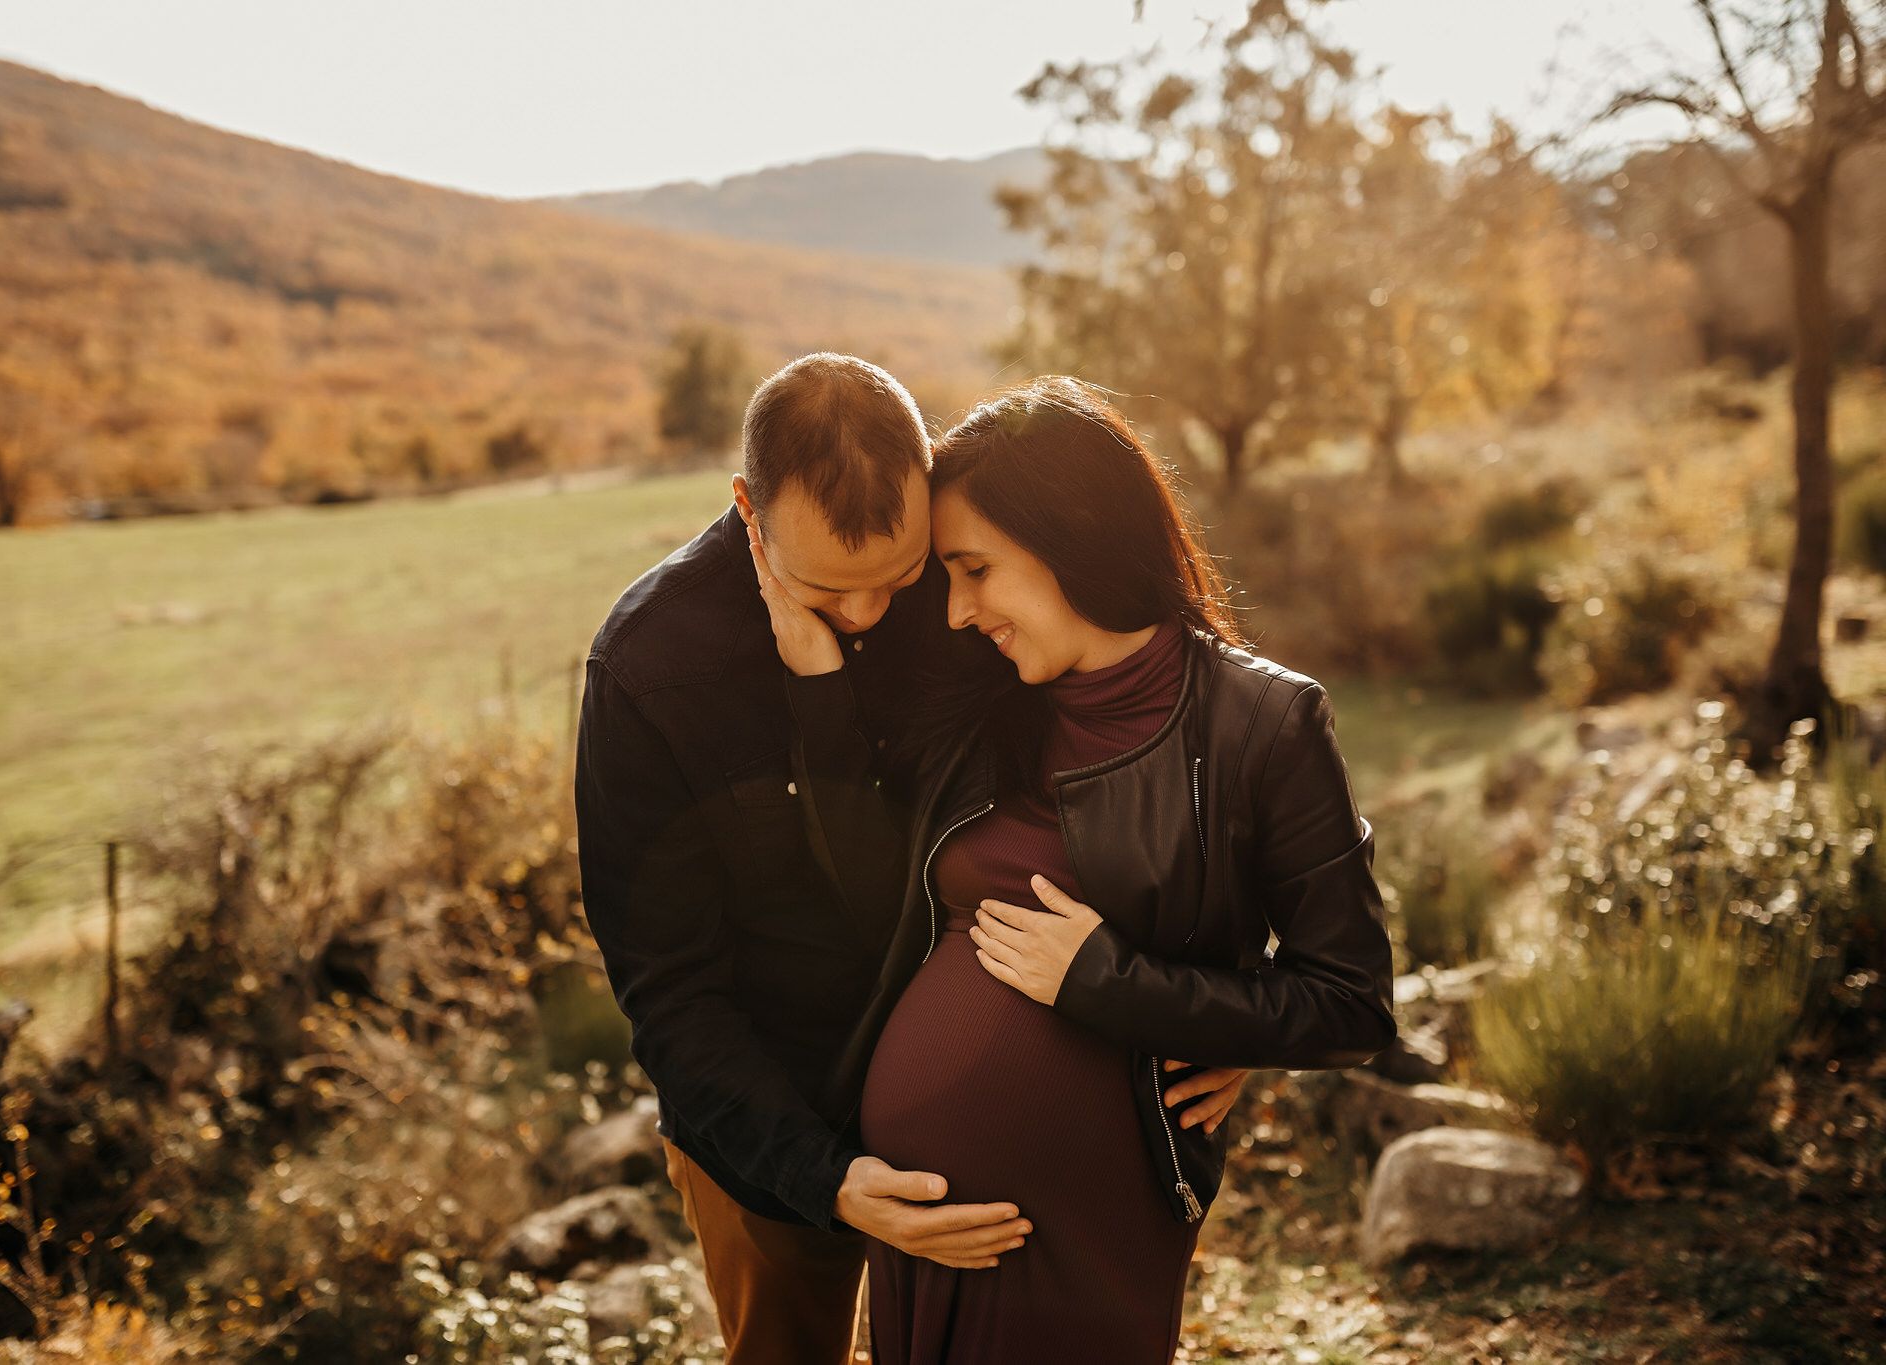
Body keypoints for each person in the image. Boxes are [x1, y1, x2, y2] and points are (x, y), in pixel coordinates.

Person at [574, 355, 1249, 1365]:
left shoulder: (977, 578)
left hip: (997, 1098)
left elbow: (1155, 764)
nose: (864, 618)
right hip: (775, 1122)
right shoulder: (649, 669)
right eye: (824, 591)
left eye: (894, 580)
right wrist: (823, 1176)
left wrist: (1221, 989)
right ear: (745, 510)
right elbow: (671, 994)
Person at [767, 377, 1395, 1365]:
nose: (959, 609)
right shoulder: (986, 697)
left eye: (975, 569)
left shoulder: (1261, 725)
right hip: (924, 1228)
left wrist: (1115, 987)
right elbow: (859, 862)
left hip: (1089, 1218)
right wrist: (812, 674)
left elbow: (1350, 1001)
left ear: (1068, 538)